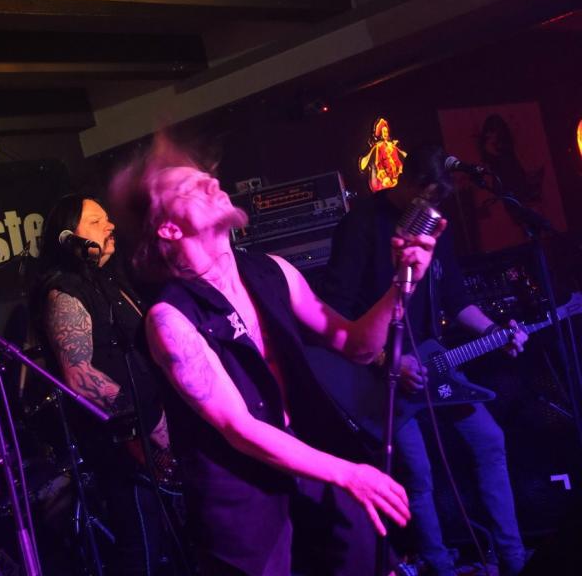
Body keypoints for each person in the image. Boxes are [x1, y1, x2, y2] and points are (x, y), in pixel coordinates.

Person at [109, 149, 443, 576]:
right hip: (243, 500)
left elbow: (357, 345)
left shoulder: (271, 271)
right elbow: (240, 428)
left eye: (206, 176)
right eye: (190, 187)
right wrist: (349, 474)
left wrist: (402, 284)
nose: (212, 182)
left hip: (313, 464)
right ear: (169, 228)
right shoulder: (170, 320)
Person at [319, 145, 529, 576]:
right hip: (379, 373)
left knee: (489, 441)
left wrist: (495, 331)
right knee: (417, 472)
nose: (430, 208)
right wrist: (385, 359)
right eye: (426, 196)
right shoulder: (360, 224)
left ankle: (513, 559)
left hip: (433, 361)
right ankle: (439, 565)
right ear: (410, 182)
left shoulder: (435, 225)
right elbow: (335, 310)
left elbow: (456, 299)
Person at [30, 194, 171, 576]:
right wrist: (150, 421)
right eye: (95, 221)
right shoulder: (63, 292)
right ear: (68, 238)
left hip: (157, 436)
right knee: (140, 549)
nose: (110, 226)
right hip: (125, 444)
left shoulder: (114, 281)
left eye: (107, 219)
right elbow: (81, 377)